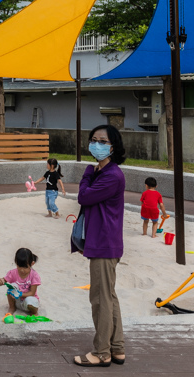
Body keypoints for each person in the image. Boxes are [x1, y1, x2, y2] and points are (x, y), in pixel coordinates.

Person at [72, 124, 126, 368]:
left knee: (100, 299)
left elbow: (84, 196)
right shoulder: (105, 173)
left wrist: (86, 173)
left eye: (102, 141)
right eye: (93, 139)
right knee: (109, 297)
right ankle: (117, 349)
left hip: (104, 243)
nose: (97, 144)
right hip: (104, 241)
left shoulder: (111, 175)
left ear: (113, 146)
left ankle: (101, 352)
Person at [0, 247, 41, 315]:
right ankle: (12, 307)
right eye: (19, 267)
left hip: (28, 302)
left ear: (32, 263)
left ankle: (34, 312)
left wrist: (20, 294)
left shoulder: (34, 275)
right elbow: (3, 281)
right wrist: (0, 281)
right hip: (17, 301)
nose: (22, 270)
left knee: (31, 301)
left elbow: (32, 293)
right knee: (13, 286)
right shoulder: (13, 273)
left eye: (25, 267)